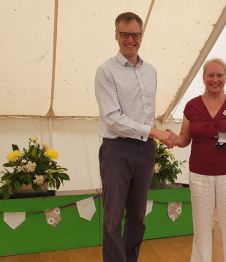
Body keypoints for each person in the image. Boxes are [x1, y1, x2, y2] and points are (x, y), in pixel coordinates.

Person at [94, 12, 176, 262]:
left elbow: (146, 113)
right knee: (113, 217)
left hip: (145, 149)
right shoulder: (105, 71)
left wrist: (156, 136)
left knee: (137, 217)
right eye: (124, 34)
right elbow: (112, 118)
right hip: (116, 150)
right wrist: (154, 131)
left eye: (135, 34)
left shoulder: (150, 71)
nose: (130, 39)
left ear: (142, 36)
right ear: (116, 35)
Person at [176, 58, 226, 262]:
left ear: (225, 77)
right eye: (211, 75)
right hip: (200, 175)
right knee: (201, 228)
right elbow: (185, 138)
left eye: (219, 75)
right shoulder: (192, 106)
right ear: (203, 77)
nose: (215, 79)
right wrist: (174, 140)